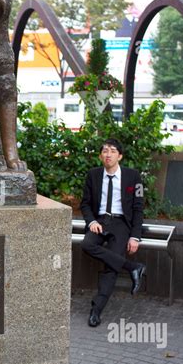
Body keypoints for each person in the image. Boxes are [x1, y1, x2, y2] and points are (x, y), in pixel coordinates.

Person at [80, 138, 146, 327]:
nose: (108, 154)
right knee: (87, 244)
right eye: (105, 151)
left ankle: (96, 310)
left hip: (121, 223)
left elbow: (139, 207)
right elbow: (85, 203)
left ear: (120, 155)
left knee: (112, 265)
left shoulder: (134, 177)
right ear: (101, 155)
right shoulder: (92, 175)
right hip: (100, 222)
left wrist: (135, 236)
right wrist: (91, 221)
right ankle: (132, 267)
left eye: (113, 151)